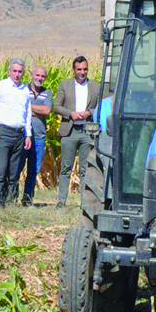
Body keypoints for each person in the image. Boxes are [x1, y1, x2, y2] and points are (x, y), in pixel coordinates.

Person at [54, 55, 101, 207]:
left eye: (85, 69)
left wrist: (90, 112)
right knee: (66, 167)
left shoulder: (95, 86)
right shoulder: (64, 85)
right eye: (79, 69)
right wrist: (70, 113)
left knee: (85, 168)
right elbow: (56, 106)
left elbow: (102, 105)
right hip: (70, 130)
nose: (82, 72)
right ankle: (61, 201)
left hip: (87, 131)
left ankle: (84, 203)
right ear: (74, 70)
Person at [0, 58, 32, 209]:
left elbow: (28, 113)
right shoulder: (0, 86)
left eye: (20, 72)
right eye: (15, 71)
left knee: (14, 170)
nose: (17, 74)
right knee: (1, 168)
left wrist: (28, 134)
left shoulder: (25, 89)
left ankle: (11, 200)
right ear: (9, 71)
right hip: (3, 132)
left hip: (19, 134)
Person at [19, 65, 52, 206]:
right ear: (32, 75)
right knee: (17, 167)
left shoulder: (47, 92)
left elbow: (47, 110)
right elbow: (19, 107)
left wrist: (28, 107)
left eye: (43, 76)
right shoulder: (22, 90)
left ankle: (27, 199)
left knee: (34, 169)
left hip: (39, 136)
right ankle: (11, 197)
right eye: (37, 75)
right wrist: (34, 109)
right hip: (22, 136)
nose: (40, 78)